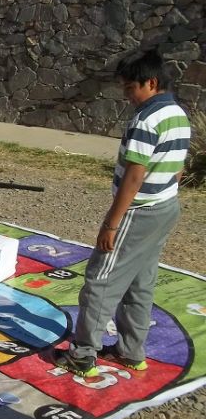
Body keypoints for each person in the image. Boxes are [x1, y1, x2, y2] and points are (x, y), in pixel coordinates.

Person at [53, 50, 191, 378]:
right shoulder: (178, 114)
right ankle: (131, 351)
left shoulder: (146, 119)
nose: (127, 95)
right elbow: (178, 170)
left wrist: (111, 223)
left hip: (139, 212)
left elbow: (134, 175)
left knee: (100, 280)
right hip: (165, 208)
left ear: (151, 83)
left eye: (131, 88)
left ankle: (82, 354)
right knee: (140, 283)